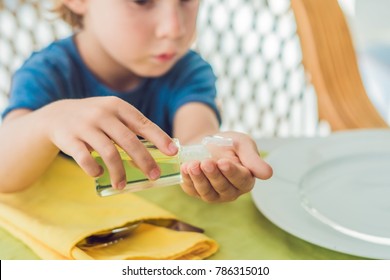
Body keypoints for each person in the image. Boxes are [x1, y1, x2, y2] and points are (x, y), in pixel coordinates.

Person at [0, 0, 272, 202]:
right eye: (142, 1)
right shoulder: (48, 73)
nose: (174, 29)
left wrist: (213, 156)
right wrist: (49, 120)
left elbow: (196, 138)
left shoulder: (188, 71)